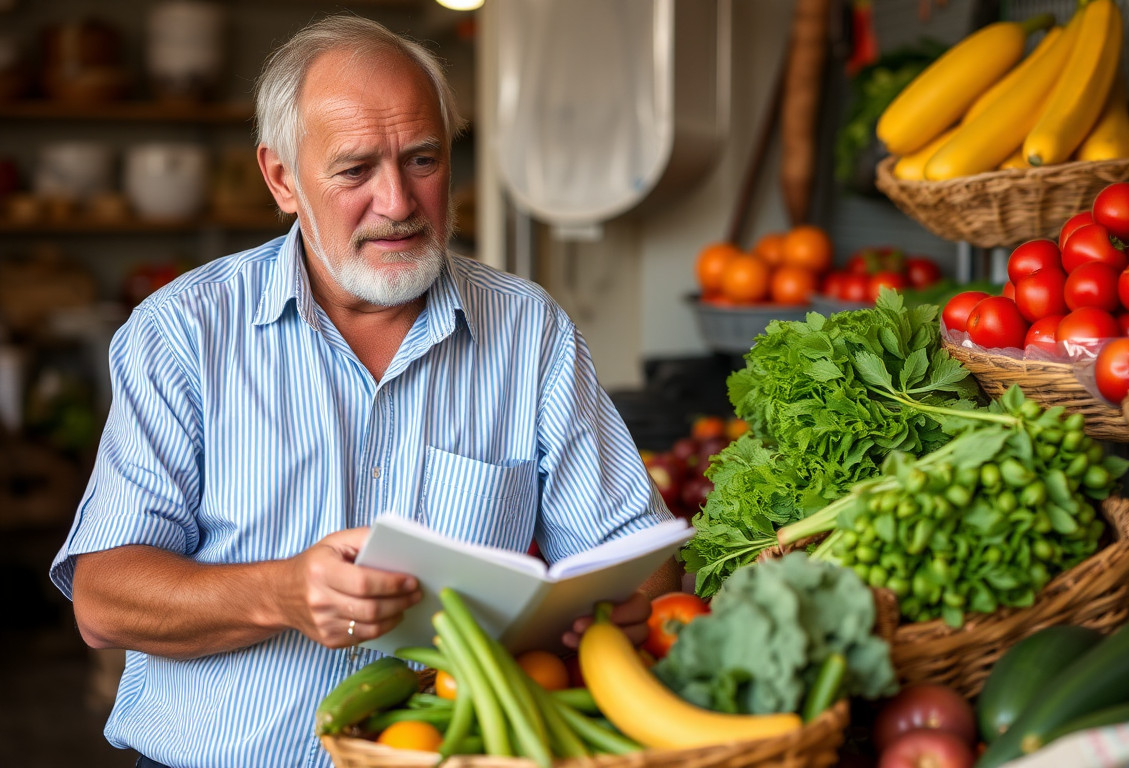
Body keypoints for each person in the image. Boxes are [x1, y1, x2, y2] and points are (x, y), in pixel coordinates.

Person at [49, 14, 679, 768]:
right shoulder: (184, 332)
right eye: (355, 171)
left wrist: (617, 607)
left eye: (423, 159)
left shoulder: (528, 331)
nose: (399, 202)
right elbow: (104, 599)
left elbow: (639, 556)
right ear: (282, 178)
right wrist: (281, 593)